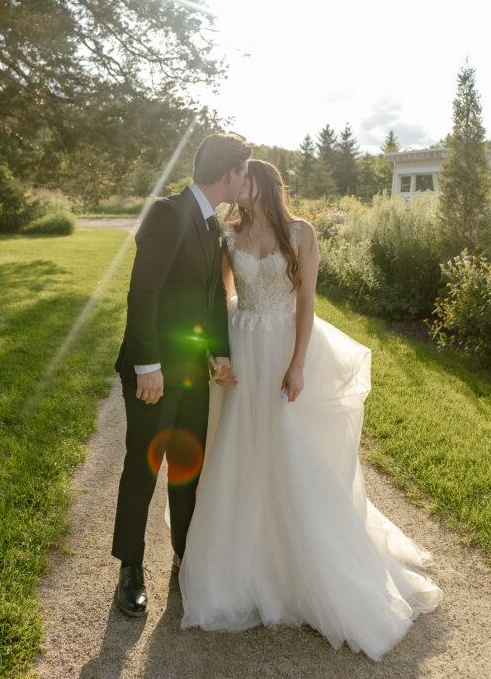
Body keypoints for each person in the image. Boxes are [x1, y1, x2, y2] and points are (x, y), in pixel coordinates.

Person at [179, 160, 443, 662]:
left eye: (245, 181)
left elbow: (306, 303)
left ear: (265, 186)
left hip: (282, 348)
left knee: (287, 447)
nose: (238, 189)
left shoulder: (301, 232)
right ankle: (245, 564)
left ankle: (308, 565)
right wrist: (219, 353)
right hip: (243, 343)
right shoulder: (228, 234)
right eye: (235, 181)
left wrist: (297, 364)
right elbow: (222, 297)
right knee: (239, 447)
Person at [111, 133, 250, 617]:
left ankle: (183, 558)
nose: (245, 180)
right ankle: (130, 567)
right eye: (243, 172)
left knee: (187, 466)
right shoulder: (168, 214)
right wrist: (147, 366)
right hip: (155, 371)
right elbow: (143, 292)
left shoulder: (213, 223)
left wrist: (221, 353)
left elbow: (211, 296)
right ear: (230, 174)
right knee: (143, 466)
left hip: (193, 372)